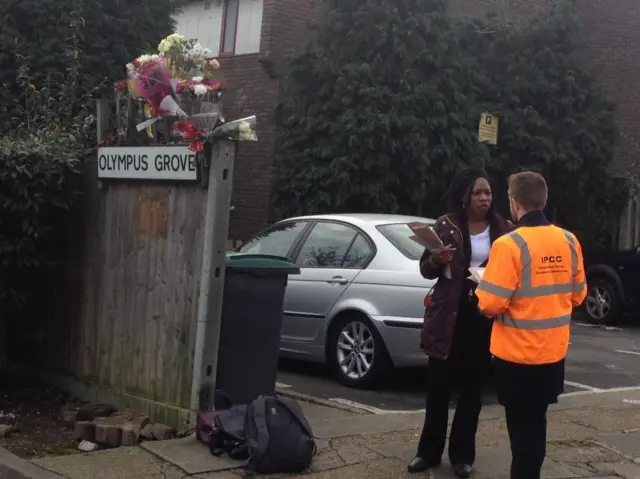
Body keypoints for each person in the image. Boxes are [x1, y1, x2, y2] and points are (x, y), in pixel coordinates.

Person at [476, 172, 587, 479]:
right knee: (536, 430)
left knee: (521, 439)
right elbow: (579, 295)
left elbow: (490, 304)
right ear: (544, 199)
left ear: (514, 203)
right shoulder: (568, 240)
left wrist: (480, 288)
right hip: (552, 354)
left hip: (517, 357)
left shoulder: (508, 245)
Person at [408, 169, 513, 478]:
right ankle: (427, 452)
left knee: (472, 391)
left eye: (488, 193)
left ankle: (462, 456)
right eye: (478, 193)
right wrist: (435, 261)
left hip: (482, 317)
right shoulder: (446, 224)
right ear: (465, 196)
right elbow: (426, 271)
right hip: (448, 316)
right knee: (438, 388)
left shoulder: (505, 229)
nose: (484, 198)